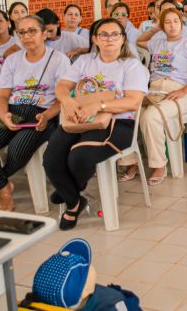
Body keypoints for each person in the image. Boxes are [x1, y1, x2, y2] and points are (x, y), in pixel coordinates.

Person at [43, 18, 148, 230]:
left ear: (123, 39)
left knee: (79, 158)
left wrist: (99, 106)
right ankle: (75, 199)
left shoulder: (131, 65)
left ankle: (69, 194)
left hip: (118, 124)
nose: (109, 39)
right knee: (51, 159)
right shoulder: (84, 62)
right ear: (95, 39)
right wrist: (68, 100)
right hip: (80, 119)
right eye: (103, 35)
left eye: (114, 34)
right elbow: (63, 85)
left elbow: (133, 101)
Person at [0, 15, 70, 211]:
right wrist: (3, 114)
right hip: (13, 111)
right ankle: (4, 186)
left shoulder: (59, 60)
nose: (27, 36)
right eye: (21, 32)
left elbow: (63, 98)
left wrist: (47, 116)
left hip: (42, 114)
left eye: (32, 31)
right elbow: (3, 95)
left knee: (17, 147)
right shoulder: (12, 60)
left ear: (44, 34)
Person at [121, 8, 187, 185]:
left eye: (176, 21)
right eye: (167, 22)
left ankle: (159, 165)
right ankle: (131, 162)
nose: (172, 26)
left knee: (150, 116)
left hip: (178, 92)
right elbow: (140, 41)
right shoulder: (158, 43)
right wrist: (156, 28)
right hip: (153, 90)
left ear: (181, 23)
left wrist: (185, 90)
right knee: (125, 112)